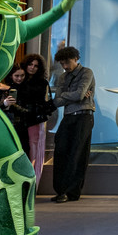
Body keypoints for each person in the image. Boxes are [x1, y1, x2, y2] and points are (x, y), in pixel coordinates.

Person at [50, 45, 96, 203]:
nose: (65, 66)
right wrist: (75, 96)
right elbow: (57, 100)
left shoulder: (86, 72)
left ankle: (73, 192)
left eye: (67, 62)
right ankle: (61, 190)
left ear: (76, 59)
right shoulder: (63, 77)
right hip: (69, 115)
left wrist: (70, 96)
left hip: (84, 116)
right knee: (61, 151)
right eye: (62, 63)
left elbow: (79, 94)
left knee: (78, 154)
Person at [14, 54, 54, 183]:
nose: (32, 68)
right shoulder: (20, 79)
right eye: (30, 64)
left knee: (34, 151)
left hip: (34, 121)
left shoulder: (41, 82)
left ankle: (32, 183)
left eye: (36, 66)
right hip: (21, 121)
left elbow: (33, 97)